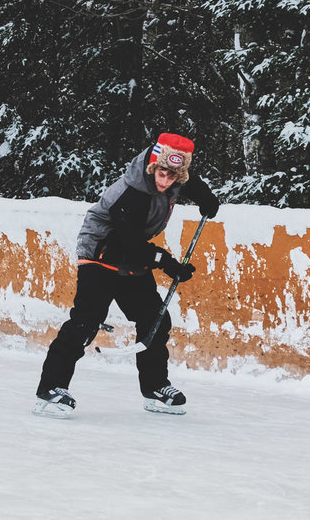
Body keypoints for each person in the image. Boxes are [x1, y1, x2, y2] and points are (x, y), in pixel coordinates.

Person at [33, 132, 220, 418]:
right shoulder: (132, 194)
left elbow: (191, 183)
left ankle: (155, 388)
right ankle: (50, 389)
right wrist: (167, 263)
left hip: (131, 254)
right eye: (161, 172)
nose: (165, 180)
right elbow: (130, 242)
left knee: (154, 319)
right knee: (86, 320)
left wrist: (206, 198)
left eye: (173, 176)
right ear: (152, 166)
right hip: (102, 251)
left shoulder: (174, 177)